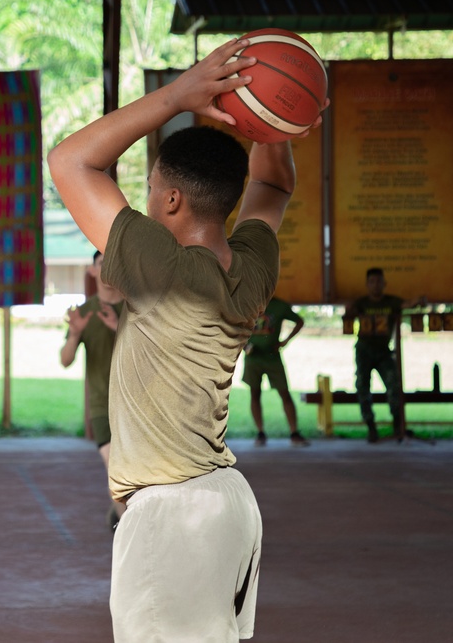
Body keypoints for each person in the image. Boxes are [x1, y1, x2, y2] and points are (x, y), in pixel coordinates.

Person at [49, 36, 326, 641]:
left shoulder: (163, 268)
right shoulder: (250, 265)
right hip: (226, 505)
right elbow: (273, 187)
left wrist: (180, 95)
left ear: (171, 199)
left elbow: (70, 161)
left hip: (175, 513)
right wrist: (277, 117)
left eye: (149, 190)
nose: (144, 202)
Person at [60, 250, 125, 527]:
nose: (108, 270)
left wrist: (119, 328)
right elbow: (65, 360)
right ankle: (125, 530)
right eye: (103, 264)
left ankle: (120, 515)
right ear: (92, 270)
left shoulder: (137, 309)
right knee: (115, 472)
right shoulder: (83, 313)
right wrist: (75, 334)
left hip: (139, 406)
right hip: (102, 405)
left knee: (139, 477)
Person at [343, 268, 424, 443]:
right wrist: (349, 310)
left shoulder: (391, 302)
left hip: (384, 351)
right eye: (372, 282)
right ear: (367, 285)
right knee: (362, 386)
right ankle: (371, 427)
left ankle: (397, 425)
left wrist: (419, 301)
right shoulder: (362, 303)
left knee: (394, 385)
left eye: (379, 281)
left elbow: (407, 305)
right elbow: (348, 314)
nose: (376, 285)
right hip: (364, 350)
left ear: (384, 283)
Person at [243, 297, 309, 447]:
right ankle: (260, 432)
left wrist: (285, 342)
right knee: (254, 393)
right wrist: (244, 346)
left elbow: (299, 321)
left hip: (273, 357)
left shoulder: (280, 305)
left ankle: (294, 433)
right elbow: (234, 326)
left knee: (284, 392)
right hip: (253, 358)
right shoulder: (246, 302)